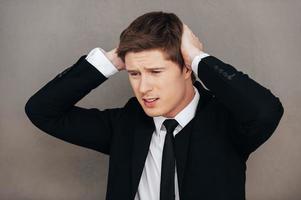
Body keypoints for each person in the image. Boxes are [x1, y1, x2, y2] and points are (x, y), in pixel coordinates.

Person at [25, 11, 284, 200]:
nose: (143, 87)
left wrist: (196, 57)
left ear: (185, 69)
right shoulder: (125, 124)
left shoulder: (227, 124)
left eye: (156, 71)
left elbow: (266, 111)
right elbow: (42, 111)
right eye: (134, 73)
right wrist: (114, 59)